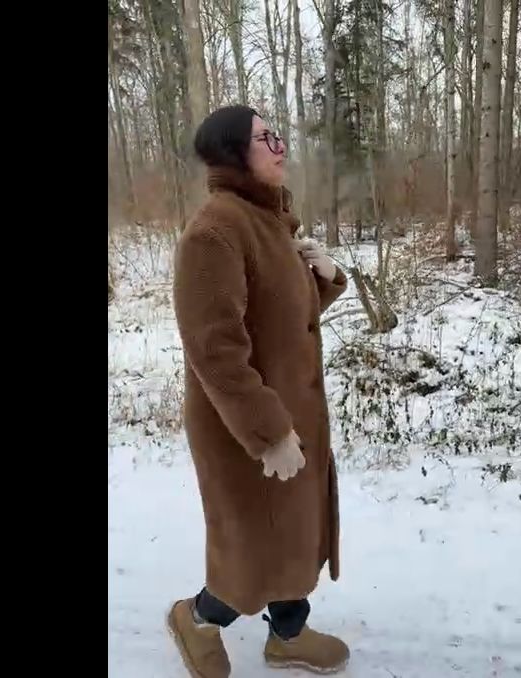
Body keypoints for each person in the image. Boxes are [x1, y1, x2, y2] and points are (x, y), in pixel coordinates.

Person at [168, 105, 349, 677]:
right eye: (266, 137)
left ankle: (288, 634)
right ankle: (196, 618)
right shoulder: (215, 231)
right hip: (240, 425)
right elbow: (215, 349)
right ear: (233, 152)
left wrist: (323, 280)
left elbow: (277, 321)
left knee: (292, 532)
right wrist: (268, 431)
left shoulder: (269, 221)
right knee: (249, 548)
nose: (280, 145)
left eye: (278, 134)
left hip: (287, 414)